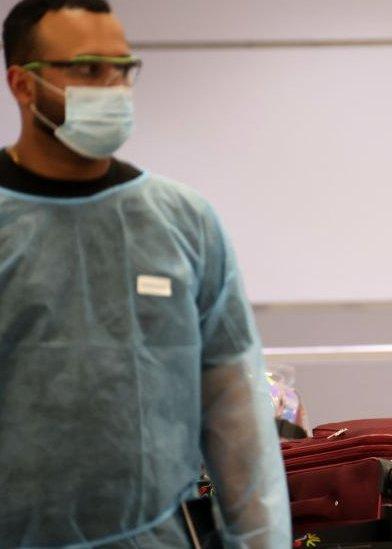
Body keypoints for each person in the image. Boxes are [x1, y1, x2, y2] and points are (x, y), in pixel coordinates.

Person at [0, 1, 289, 546]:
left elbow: (235, 414)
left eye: (123, 68)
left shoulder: (182, 222)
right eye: (88, 70)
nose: (112, 87)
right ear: (23, 84)